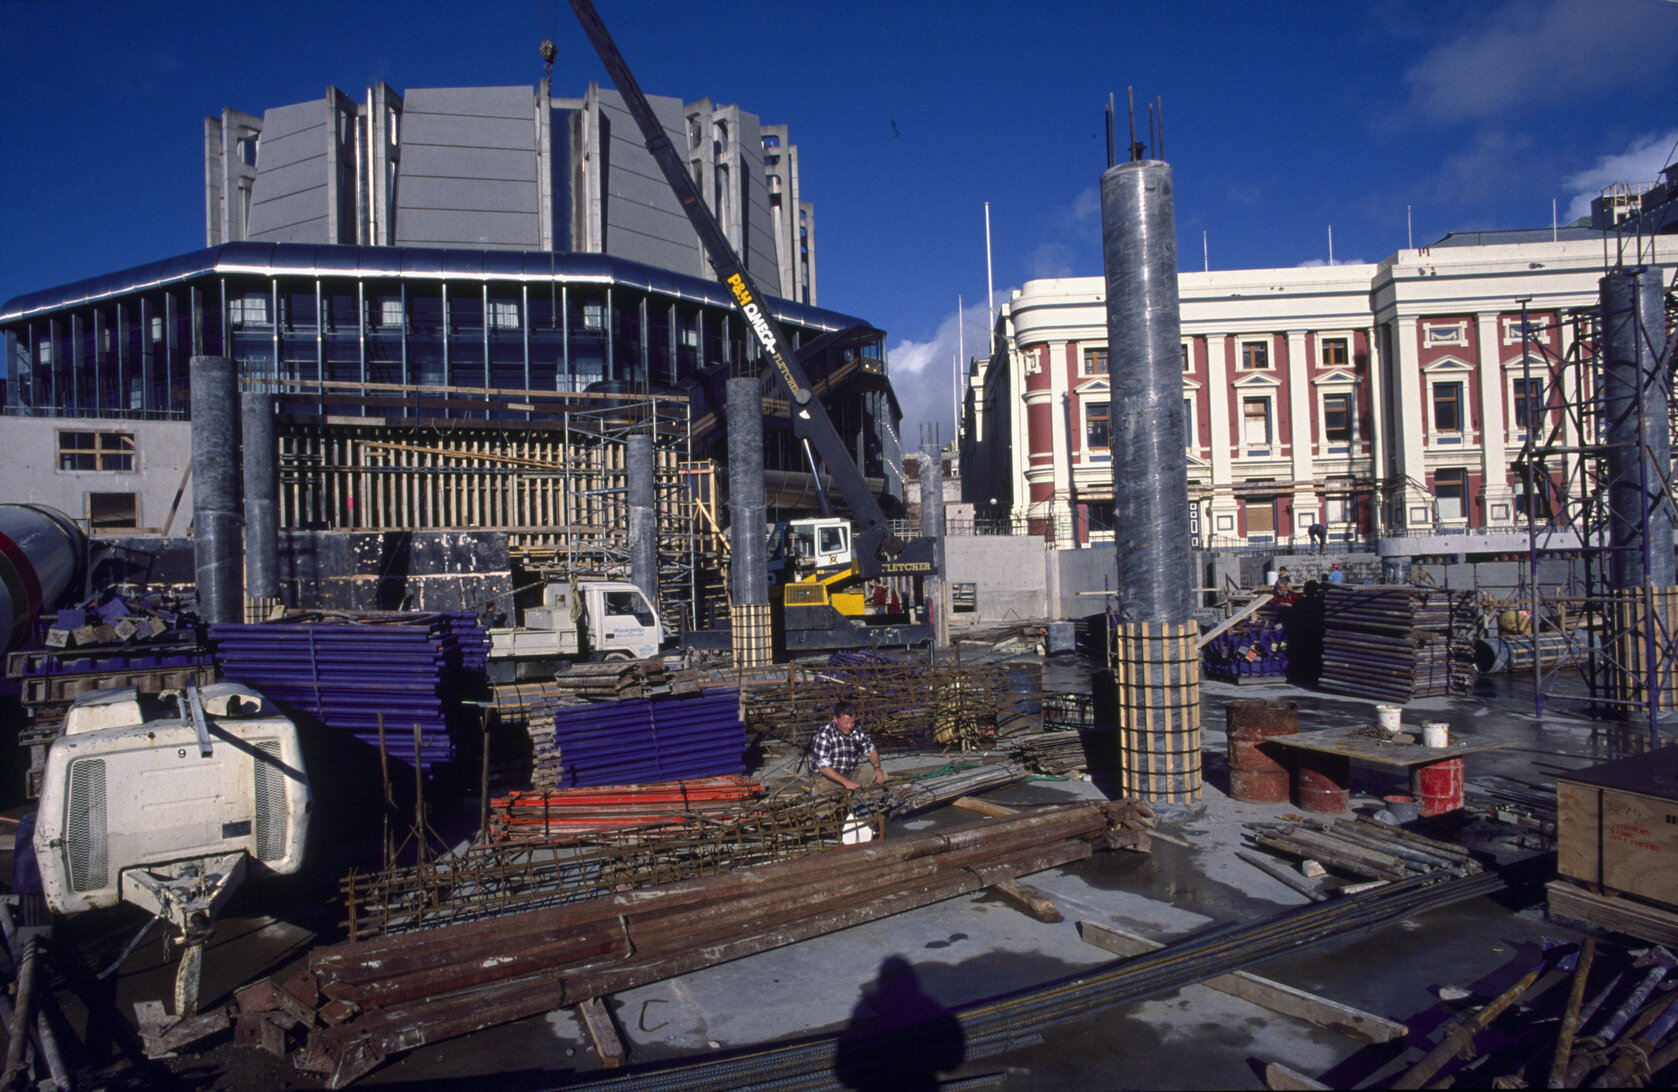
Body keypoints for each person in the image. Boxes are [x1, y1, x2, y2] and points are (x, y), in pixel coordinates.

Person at [811, 699, 887, 794]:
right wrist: (846, 783)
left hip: (851, 774)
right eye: (846, 723)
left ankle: (885, 802)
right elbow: (823, 767)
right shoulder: (824, 735)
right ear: (835, 719)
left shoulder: (856, 730)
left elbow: (870, 749)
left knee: (882, 777)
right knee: (827, 805)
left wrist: (877, 768)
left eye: (852, 722)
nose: (850, 726)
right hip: (827, 778)